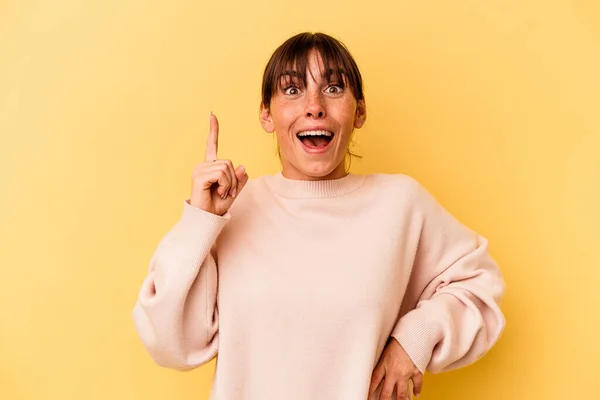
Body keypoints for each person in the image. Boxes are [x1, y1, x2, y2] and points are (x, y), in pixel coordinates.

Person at [132, 32, 506, 400]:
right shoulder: (233, 212)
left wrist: (414, 339)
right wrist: (199, 220)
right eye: (293, 90)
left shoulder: (400, 204)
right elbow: (169, 344)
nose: (314, 106)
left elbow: (479, 286)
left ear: (359, 111)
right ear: (266, 114)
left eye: (333, 88)